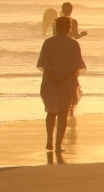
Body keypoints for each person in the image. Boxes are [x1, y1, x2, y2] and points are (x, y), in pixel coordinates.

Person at [37, 16, 86, 154]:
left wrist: (54, 77)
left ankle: (49, 141)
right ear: (69, 28)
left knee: (51, 111)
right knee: (63, 113)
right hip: (67, 81)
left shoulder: (48, 42)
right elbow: (76, 64)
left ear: (56, 27)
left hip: (50, 80)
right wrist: (63, 77)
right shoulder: (73, 44)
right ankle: (58, 145)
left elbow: (43, 63)